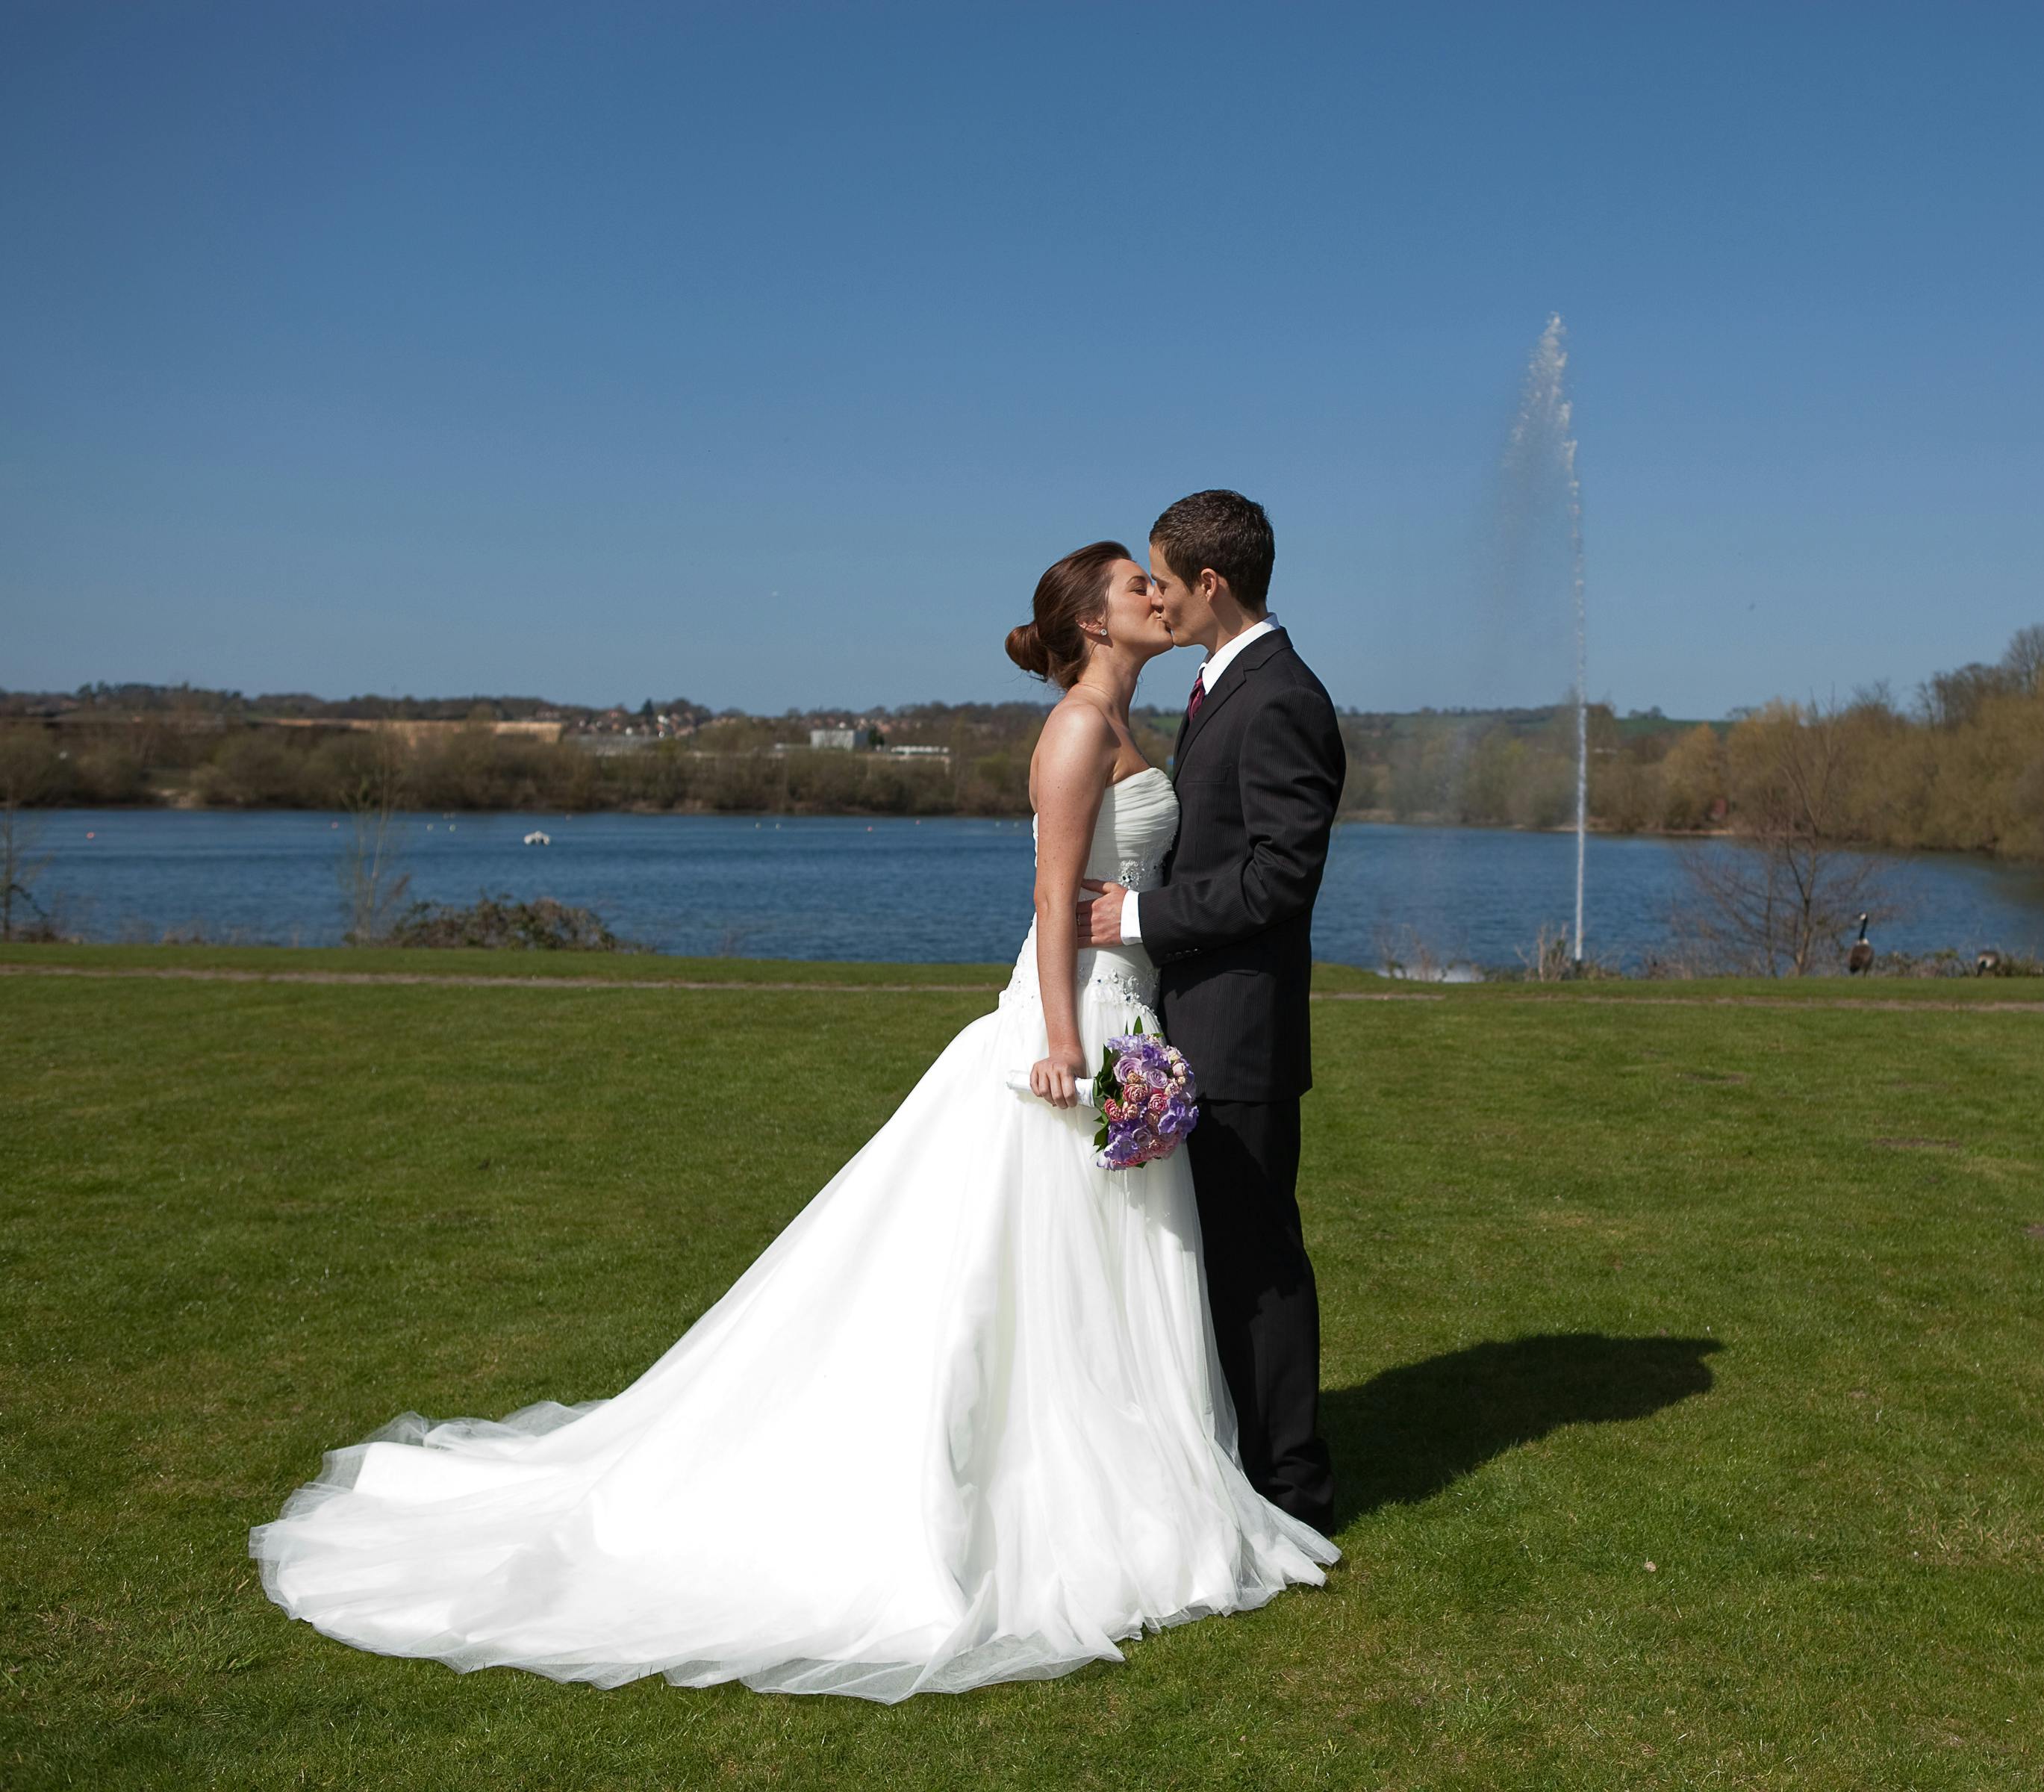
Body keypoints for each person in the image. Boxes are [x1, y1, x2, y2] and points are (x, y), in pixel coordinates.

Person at [249, 541, 1334, 1704]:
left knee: (1114, 1266)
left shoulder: (1132, 726)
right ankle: (1029, 1494)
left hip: (1132, 1015)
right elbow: (1053, 894)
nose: (1153, 594)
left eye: (1154, 578)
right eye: (1133, 585)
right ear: (1091, 621)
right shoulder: (1077, 731)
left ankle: (1134, 1484)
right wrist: (1065, 1037)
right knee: (1034, 1263)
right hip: (1073, 1025)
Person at [1081, 490, 1345, 1534]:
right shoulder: (1218, 685)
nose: (1154, 594)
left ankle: (1293, 1487)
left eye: (1161, 576)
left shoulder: (1280, 696)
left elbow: (1282, 878)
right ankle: (1238, 1458)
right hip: (1199, 1016)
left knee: (1257, 1262)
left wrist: (1140, 913)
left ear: (1210, 583)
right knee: (1222, 1257)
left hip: (1241, 1030)